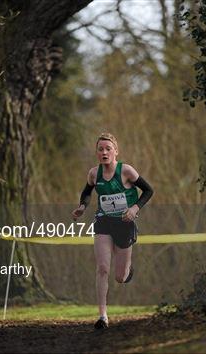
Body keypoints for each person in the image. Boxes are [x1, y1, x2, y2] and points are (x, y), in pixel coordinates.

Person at [72, 133, 154, 330]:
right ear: (97, 153)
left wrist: (134, 209)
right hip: (103, 222)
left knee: (119, 277)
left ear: (116, 151)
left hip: (124, 225)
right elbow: (87, 192)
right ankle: (102, 316)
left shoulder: (126, 171)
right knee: (102, 268)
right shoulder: (94, 173)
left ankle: (127, 270)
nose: (104, 152)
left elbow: (149, 190)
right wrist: (83, 207)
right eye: (100, 149)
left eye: (108, 148)